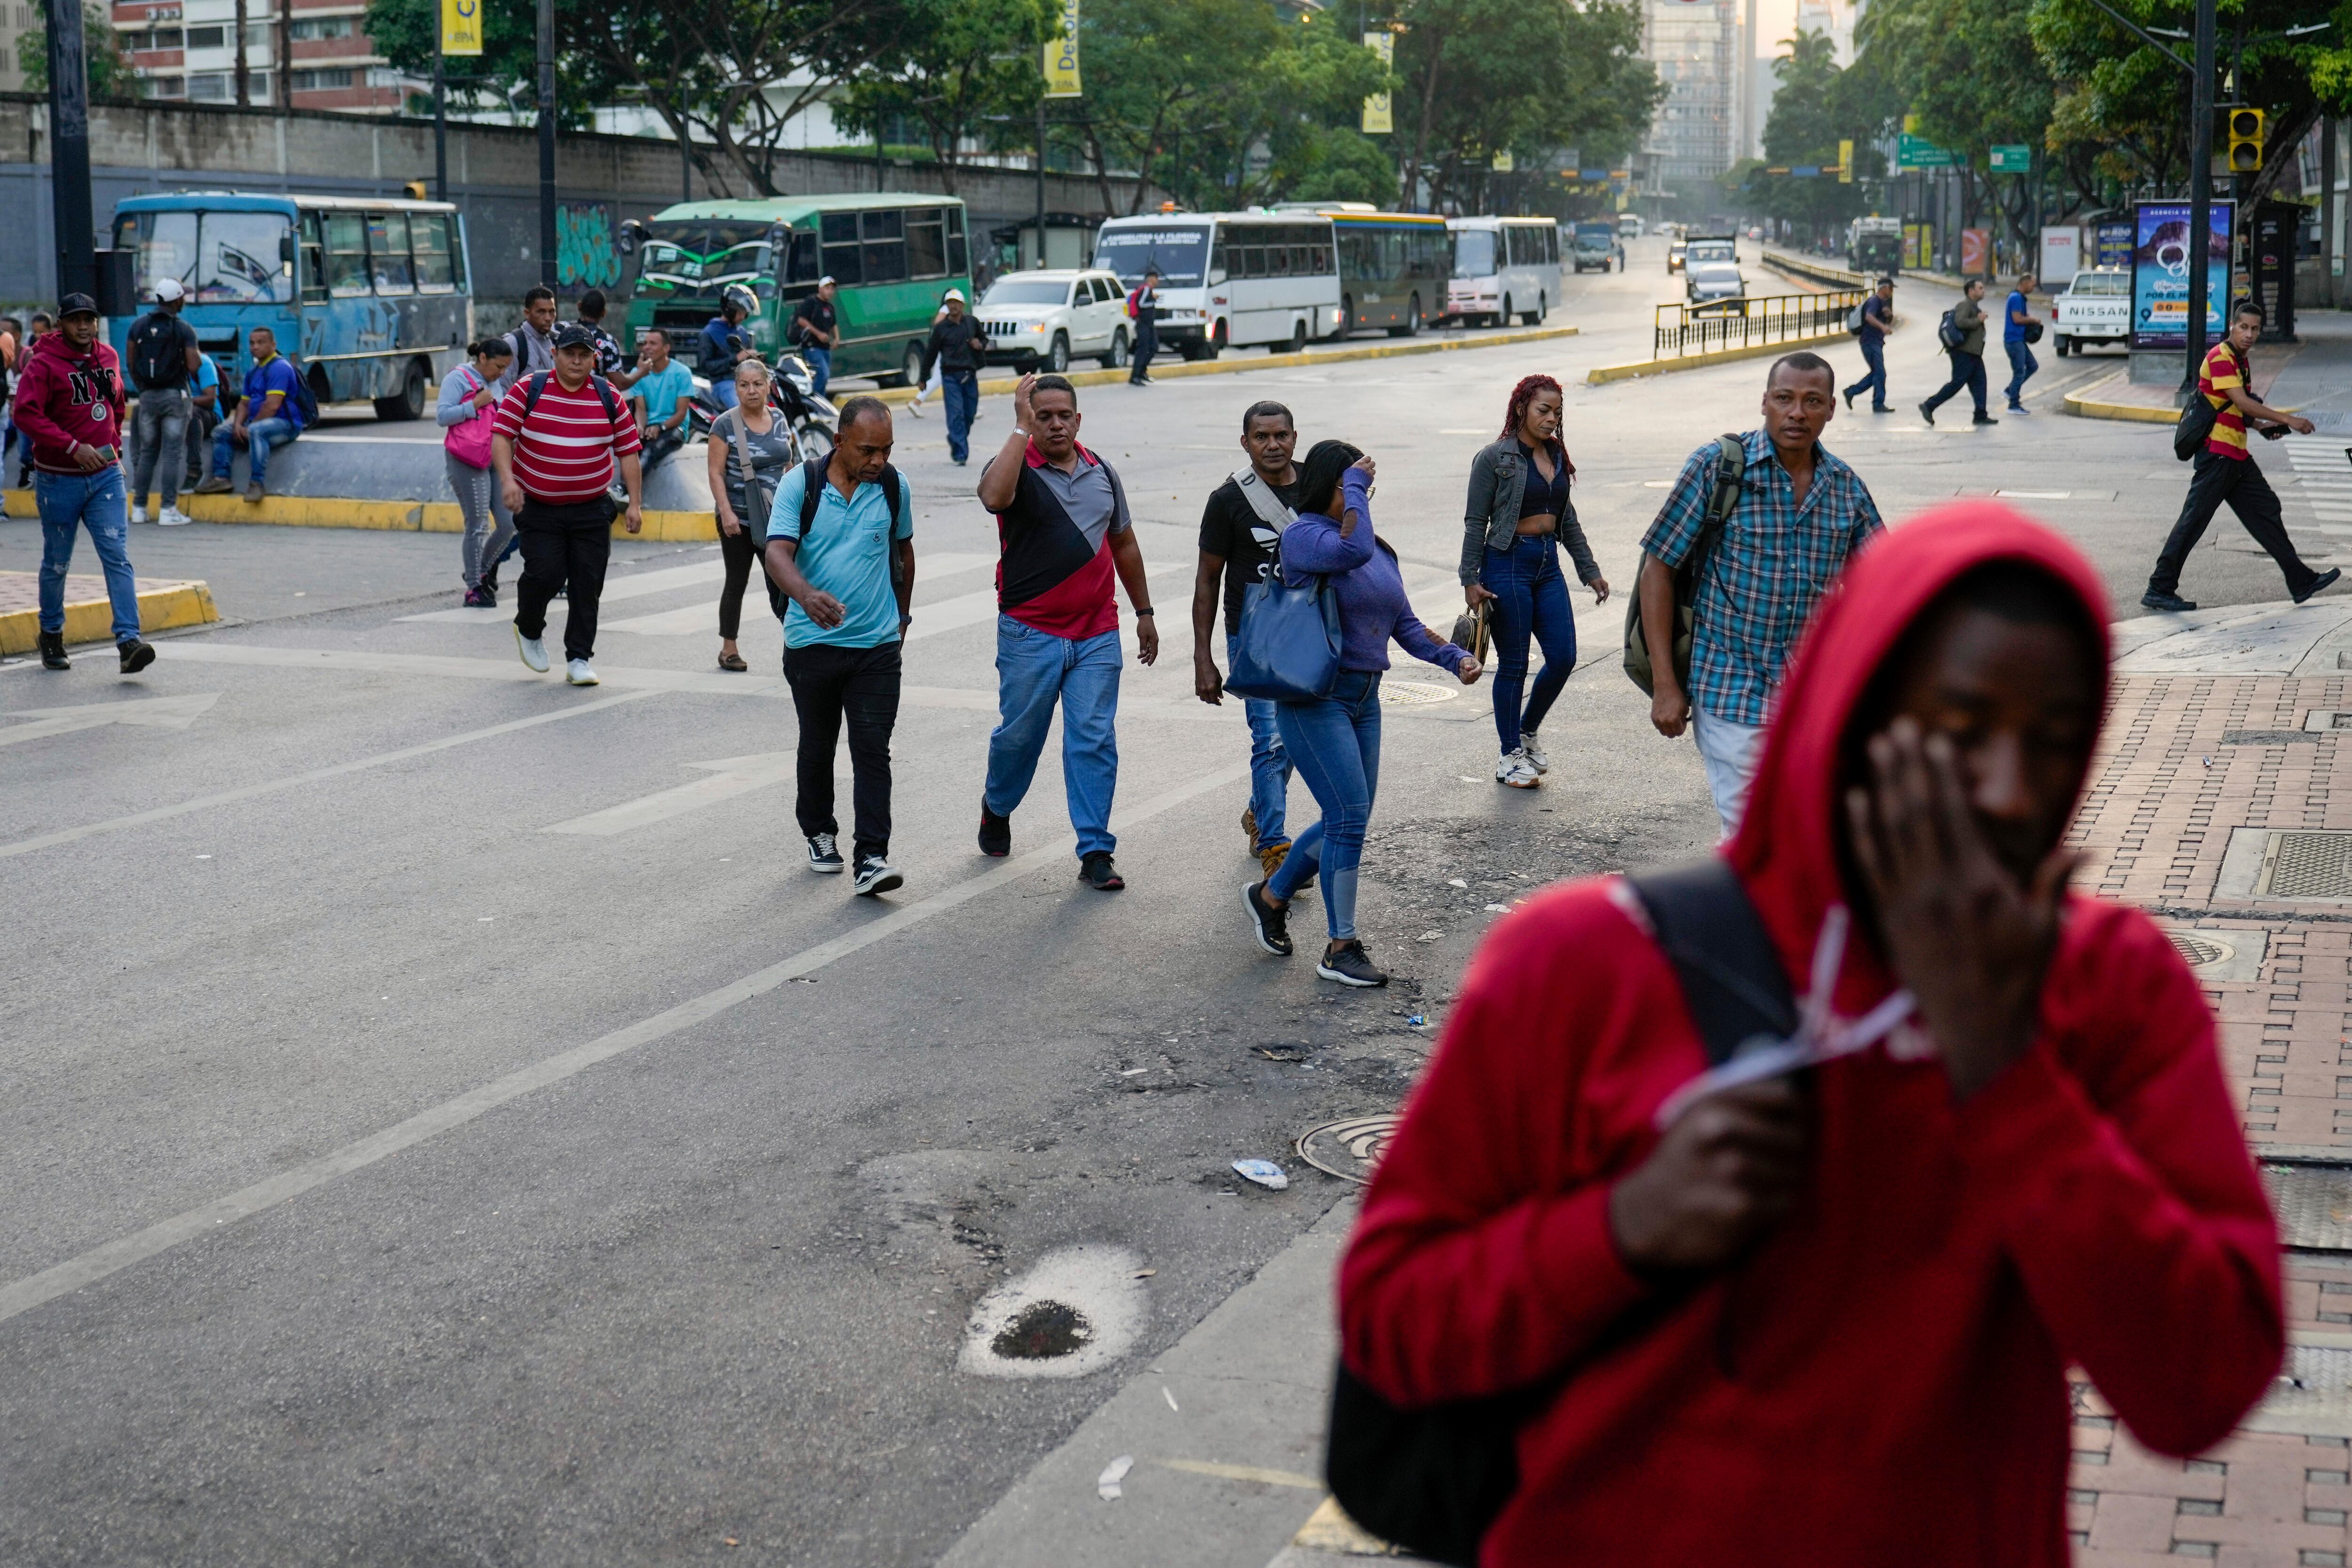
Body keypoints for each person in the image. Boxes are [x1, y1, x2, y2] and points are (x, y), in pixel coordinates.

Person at [1334, 503, 2281, 1568]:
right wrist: (1621, 1228)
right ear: (1850, 708)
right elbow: (1391, 1319)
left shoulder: (2106, 989)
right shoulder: (1589, 963)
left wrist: (2007, 1072)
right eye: (1962, 730)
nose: (2011, 792)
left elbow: (2203, 1383)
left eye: (2055, 742)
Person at [1240, 442, 1481, 988]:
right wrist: (1352, 485)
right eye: (1352, 488)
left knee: (1347, 818)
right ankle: (1340, 947)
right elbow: (1348, 549)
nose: (1361, 499)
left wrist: (1454, 658)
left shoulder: (1377, 550)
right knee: (1348, 816)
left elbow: (1405, 625)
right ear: (1330, 484)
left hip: (1364, 699)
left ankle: (1270, 897)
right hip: (1315, 699)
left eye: (1366, 491)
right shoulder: (1305, 537)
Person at [1639, 351, 1884, 835]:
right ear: (1765, 402)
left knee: (1806, 835)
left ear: (1831, 409)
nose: (1797, 413)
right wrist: (1665, 685)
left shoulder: (1844, 489)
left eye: (1812, 401)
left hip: (1811, 698)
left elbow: (1884, 588)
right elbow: (1657, 569)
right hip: (1731, 686)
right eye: (1784, 399)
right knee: (1755, 835)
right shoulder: (1717, 468)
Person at [973, 373, 1158, 889]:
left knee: (1093, 738)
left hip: (1097, 632)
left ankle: (1096, 849)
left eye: (1064, 416)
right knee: (1020, 737)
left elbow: (1123, 543)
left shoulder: (1102, 471)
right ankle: (997, 805)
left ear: (1078, 420)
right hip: (1029, 633)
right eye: (1043, 416)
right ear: (1028, 420)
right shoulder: (1013, 466)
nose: (1055, 425)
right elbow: (993, 498)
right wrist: (1018, 429)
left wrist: (1144, 612)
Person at [762, 396, 915, 897]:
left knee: (872, 750)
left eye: (886, 450)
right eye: (868, 450)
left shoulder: (893, 486)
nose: (878, 460)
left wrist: (902, 618)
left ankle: (871, 856)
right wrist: (805, 596)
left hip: (876, 647)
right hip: (812, 645)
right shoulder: (800, 484)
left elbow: (904, 550)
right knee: (818, 742)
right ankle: (818, 831)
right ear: (839, 441)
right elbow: (777, 553)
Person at [2143, 300, 2339, 613]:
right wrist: (2289, 419)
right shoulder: (2221, 357)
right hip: (2218, 455)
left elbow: (2235, 407)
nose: (2249, 334)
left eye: (2255, 329)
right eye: (2244, 327)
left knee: (2266, 510)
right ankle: (2159, 587)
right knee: (2193, 521)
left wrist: (2261, 426)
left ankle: (2300, 580)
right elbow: (2242, 402)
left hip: (2235, 455)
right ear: (2232, 326)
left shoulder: (2239, 360)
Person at [1461, 374, 1609, 789]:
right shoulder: (1494, 458)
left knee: (1563, 657)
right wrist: (1469, 578)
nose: (1551, 418)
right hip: (1506, 563)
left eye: (1557, 412)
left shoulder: (1556, 454)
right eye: (1544, 410)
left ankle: (1527, 730)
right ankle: (1509, 756)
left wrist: (1589, 570)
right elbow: (1476, 521)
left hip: (1547, 564)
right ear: (1522, 407)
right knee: (1514, 664)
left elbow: (1567, 519)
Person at [493, 321, 644, 687]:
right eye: (569, 354)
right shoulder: (530, 388)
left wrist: (635, 504)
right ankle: (529, 628)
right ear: (555, 355)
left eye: (583, 355)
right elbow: (501, 435)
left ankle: (579, 657)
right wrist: (508, 481)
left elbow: (628, 452)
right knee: (545, 573)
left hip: (591, 506)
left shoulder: (608, 396)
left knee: (587, 582)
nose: (576, 361)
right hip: (539, 505)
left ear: (594, 359)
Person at [13, 294, 156, 674]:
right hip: (58, 479)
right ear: (61, 324)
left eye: (89, 319)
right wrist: (72, 447)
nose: (83, 326)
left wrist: (115, 447)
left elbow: (117, 404)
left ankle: (129, 641)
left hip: (105, 476)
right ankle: (51, 633)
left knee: (117, 555)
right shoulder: (43, 364)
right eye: (75, 320)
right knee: (57, 562)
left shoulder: (108, 356)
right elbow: (25, 413)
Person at [1194, 400, 1303, 876]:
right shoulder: (1227, 500)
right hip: (1253, 637)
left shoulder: (1317, 485)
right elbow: (1207, 580)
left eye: (1281, 435)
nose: (1272, 445)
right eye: (1261, 437)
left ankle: (1259, 811)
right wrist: (1203, 658)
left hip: (1308, 634)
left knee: (1299, 737)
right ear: (1245, 442)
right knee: (1272, 738)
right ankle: (1275, 845)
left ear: (1294, 437)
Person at [707, 358, 795, 673]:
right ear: (736, 389)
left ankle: (798, 644)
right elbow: (715, 472)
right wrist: (726, 512)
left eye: (758, 384)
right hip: (741, 519)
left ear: (768, 386)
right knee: (737, 580)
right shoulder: (725, 425)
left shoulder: (780, 418)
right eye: (744, 385)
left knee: (783, 582)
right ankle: (728, 649)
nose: (752, 391)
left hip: (779, 519)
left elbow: (789, 464)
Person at [438, 337, 516, 607]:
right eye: (499, 366)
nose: (502, 373)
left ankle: (479, 570)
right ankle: (474, 589)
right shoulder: (457, 378)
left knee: (509, 524)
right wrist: (474, 405)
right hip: (466, 459)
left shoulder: (495, 382)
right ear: (483, 358)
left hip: (493, 456)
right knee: (478, 524)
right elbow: (442, 417)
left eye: (506, 368)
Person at [124, 277, 201, 527]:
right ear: (177, 300)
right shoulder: (183, 329)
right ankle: (168, 509)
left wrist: (144, 388)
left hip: (148, 397)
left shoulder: (138, 326)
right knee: (171, 454)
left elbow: (131, 362)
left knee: (147, 453)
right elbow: (194, 366)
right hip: (175, 396)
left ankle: (139, 508)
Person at [197, 324, 303, 502]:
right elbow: (244, 404)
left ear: (273, 345)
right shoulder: (253, 372)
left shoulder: (280, 368)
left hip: (286, 424)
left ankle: (257, 484)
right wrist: (238, 425)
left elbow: (272, 406)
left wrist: (250, 427)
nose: (255, 347)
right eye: (252, 343)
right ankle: (221, 479)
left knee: (256, 431)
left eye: (261, 343)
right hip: (258, 423)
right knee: (221, 432)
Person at [922, 288, 989, 467]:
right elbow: (930, 354)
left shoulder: (972, 322)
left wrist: (979, 344)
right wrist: (923, 378)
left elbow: (984, 340)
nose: (953, 306)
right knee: (956, 414)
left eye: (956, 303)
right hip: (951, 376)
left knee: (970, 413)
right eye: (950, 303)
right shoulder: (941, 329)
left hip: (970, 375)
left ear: (962, 305)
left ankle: (955, 438)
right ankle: (961, 453)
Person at [1919, 277, 1994, 427]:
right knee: (1957, 384)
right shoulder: (1965, 305)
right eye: (1980, 288)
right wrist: (1978, 320)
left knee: (1980, 383)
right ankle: (1929, 405)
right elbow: (1960, 322)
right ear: (1971, 291)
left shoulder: (1973, 307)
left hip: (1974, 354)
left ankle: (1980, 415)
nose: (1983, 291)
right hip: (1964, 353)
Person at [627, 327, 695, 477]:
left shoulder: (682, 373)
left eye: (653, 344)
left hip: (673, 428)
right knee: (630, 449)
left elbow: (681, 414)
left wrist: (661, 427)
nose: (647, 347)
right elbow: (641, 410)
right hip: (649, 427)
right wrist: (640, 427)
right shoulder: (637, 374)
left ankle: (623, 487)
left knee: (651, 449)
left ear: (666, 348)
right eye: (645, 343)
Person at [697, 285, 759, 409]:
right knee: (743, 409)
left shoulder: (742, 332)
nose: (743, 317)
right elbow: (705, 366)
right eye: (740, 313)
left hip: (746, 381)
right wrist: (735, 359)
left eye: (745, 314)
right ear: (729, 310)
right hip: (724, 384)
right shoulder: (709, 333)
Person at [1841, 277, 1897, 414]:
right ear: (1885, 288)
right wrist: (1883, 327)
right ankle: (1878, 403)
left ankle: (1851, 392)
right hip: (1870, 342)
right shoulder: (1875, 301)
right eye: (1891, 288)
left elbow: (1883, 319)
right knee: (1880, 373)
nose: (1892, 292)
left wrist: (1889, 316)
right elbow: (1869, 317)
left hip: (1875, 342)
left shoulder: (1882, 303)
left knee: (1877, 373)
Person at [571, 289, 640, 391]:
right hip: (591, 398)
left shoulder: (559, 330)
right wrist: (642, 371)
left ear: (579, 306)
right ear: (604, 313)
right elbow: (620, 383)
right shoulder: (608, 343)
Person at [13, 313, 52, 489]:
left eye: (42, 332)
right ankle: (28, 465)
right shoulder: (32, 348)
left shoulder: (56, 347)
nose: (38, 336)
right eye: (35, 332)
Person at [499, 286, 559, 394]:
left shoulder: (559, 341)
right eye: (541, 312)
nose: (548, 318)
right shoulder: (514, 343)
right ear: (527, 313)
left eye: (552, 312)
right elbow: (503, 392)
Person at [790, 276, 839, 398]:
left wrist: (836, 338)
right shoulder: (811, 302)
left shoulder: (830, 307)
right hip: (812, 346)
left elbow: (833, 324)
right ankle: (813, 401)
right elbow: (801, 320)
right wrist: (818, 334)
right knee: (822, 375)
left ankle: (820, 403)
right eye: (827, 288)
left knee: (824, 378)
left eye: (832, 289)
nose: (830, 292)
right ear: (820, 289)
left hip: (825, 348)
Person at [183, 348, 222, 492]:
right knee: (140, 410)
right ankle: (138, 468)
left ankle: (195, 470)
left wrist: (185, 402)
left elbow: (210, 399)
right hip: (178, 412)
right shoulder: (171, 365)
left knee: (191, 413)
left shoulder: (204, 363)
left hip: (209, 414)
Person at [2002, 271, 2039, 414]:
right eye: (2032, 285)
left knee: (2032, 366)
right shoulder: (2016, 298)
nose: (2033, 288)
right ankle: (2014, 404)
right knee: (2019, 372)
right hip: (2014, 340)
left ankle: (2010, 390)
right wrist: (2032, 320)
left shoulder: (2019, 298)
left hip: (2019, 340)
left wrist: (2027, 317)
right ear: (2025, 283)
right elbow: (2017, 319)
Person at [1127, 266, 1161, 386]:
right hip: (1143, 324)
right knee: (1142, 349)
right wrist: (1153, 300)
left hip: (1149, 325)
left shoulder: (1149, 290)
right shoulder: (1146, 289)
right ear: (1151, 279)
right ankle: (1135, 376)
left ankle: (1142, 372)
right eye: (1157, 278)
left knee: (1154, 348)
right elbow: (1141, 304)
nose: (1158, 281)